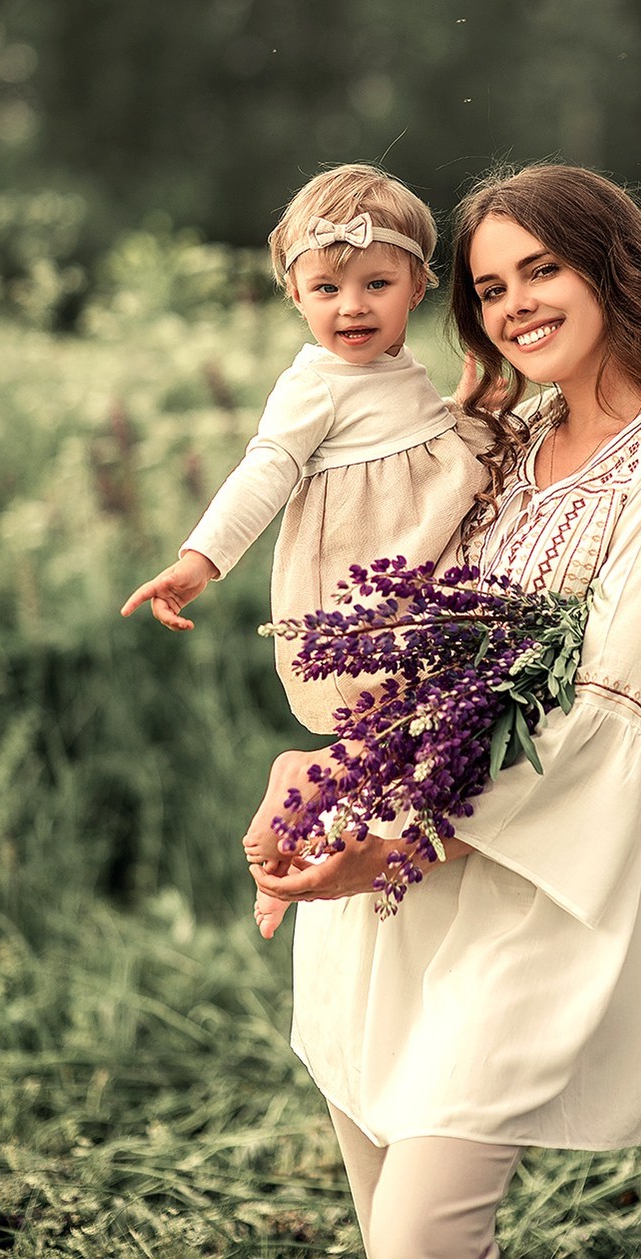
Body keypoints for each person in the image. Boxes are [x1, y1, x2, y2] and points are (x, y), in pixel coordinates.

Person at [251, 164, 641, 1259]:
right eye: (489, 288)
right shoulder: (502, 439)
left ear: (615, 272)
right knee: (388, 1214)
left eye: (542, 268)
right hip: (394, 874)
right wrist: (315, 764)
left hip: (530, 882)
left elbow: (612, 706)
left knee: (422, 1230)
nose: (515, 303)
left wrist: (398, 837)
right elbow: (407, 631)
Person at [121, 163, 490, 933]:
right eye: (326, 289)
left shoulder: (396, 371)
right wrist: (201, 560)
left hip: (426, 571)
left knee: (421, 742)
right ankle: (286, 842)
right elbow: (266, 470)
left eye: (375, 285)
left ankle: (340, 848)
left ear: (418, 284)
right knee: (390, 735)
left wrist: (468, 407)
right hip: (364, 588)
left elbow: (413, 435)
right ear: (296, 295)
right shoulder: (313, 385)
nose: (351, 307)